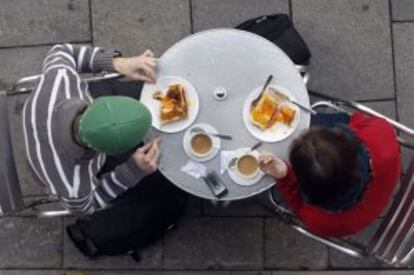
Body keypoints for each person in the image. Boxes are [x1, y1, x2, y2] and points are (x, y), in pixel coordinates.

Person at [23, 43, 164, 215]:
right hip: (59, 166)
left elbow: (61, 51)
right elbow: (86, 207)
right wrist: (132, 170)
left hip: (46, 111)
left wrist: (118, 63)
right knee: (158, 180)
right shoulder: (74, 186)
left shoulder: (59, 80)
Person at [259, 111, 401, 237]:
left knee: (316, 120)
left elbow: (299, 205)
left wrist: (285, 176)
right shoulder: (381, 134)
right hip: (382, 180)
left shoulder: (322, 222)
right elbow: (357, 119)